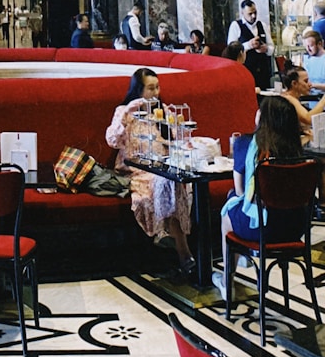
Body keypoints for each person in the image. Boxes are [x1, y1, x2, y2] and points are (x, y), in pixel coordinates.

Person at [213, 95, 306, 298]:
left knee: (228, 211)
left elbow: (240, 192)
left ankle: (227, 281)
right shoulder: (298, 152)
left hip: (261, 229)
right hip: (295, 227)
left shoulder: (244, 144)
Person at [105, 67, 194, 277]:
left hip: (163, 169)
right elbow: (112, 140)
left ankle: (169, 242)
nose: (155, 93)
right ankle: (182, 252)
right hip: (136, 171)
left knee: (175, 184)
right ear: (139, 90)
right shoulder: (124, 112)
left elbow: (179, 139)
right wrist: (128, 112)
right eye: (150, 88)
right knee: (159, 188)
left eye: (157, 87)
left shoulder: (163, 112)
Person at [227, 0, 273, 91]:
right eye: (250, 14)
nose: (253, 16)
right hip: (246, 70)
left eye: (255, 12)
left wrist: (266, 49)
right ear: (242, 13)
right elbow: (231, 49)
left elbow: (272, 47)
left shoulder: (262, 25)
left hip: (263, 70)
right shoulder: (236, 25)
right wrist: (249, 45)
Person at [281, 65, 325, 141]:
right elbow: (308, 119)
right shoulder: (289, 99)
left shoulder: (291, 98)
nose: (309, 84)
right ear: (294, 83)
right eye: (306, 81)